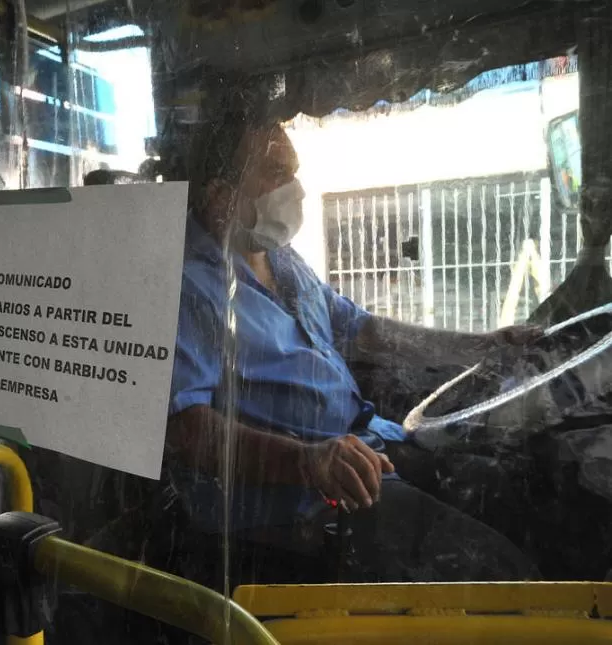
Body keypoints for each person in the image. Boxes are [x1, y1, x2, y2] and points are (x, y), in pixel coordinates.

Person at [166, 108, 542, 582]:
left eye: (294, 171)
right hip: (295, 509)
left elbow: (361, 330)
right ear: (221, 197)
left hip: (367, 447)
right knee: (500, 576)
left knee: (511, 491)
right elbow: (189, 432)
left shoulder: (278, 257)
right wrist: (309, 461)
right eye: (276, 174)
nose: (295, 189)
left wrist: (481, 346)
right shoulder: (185, 286)